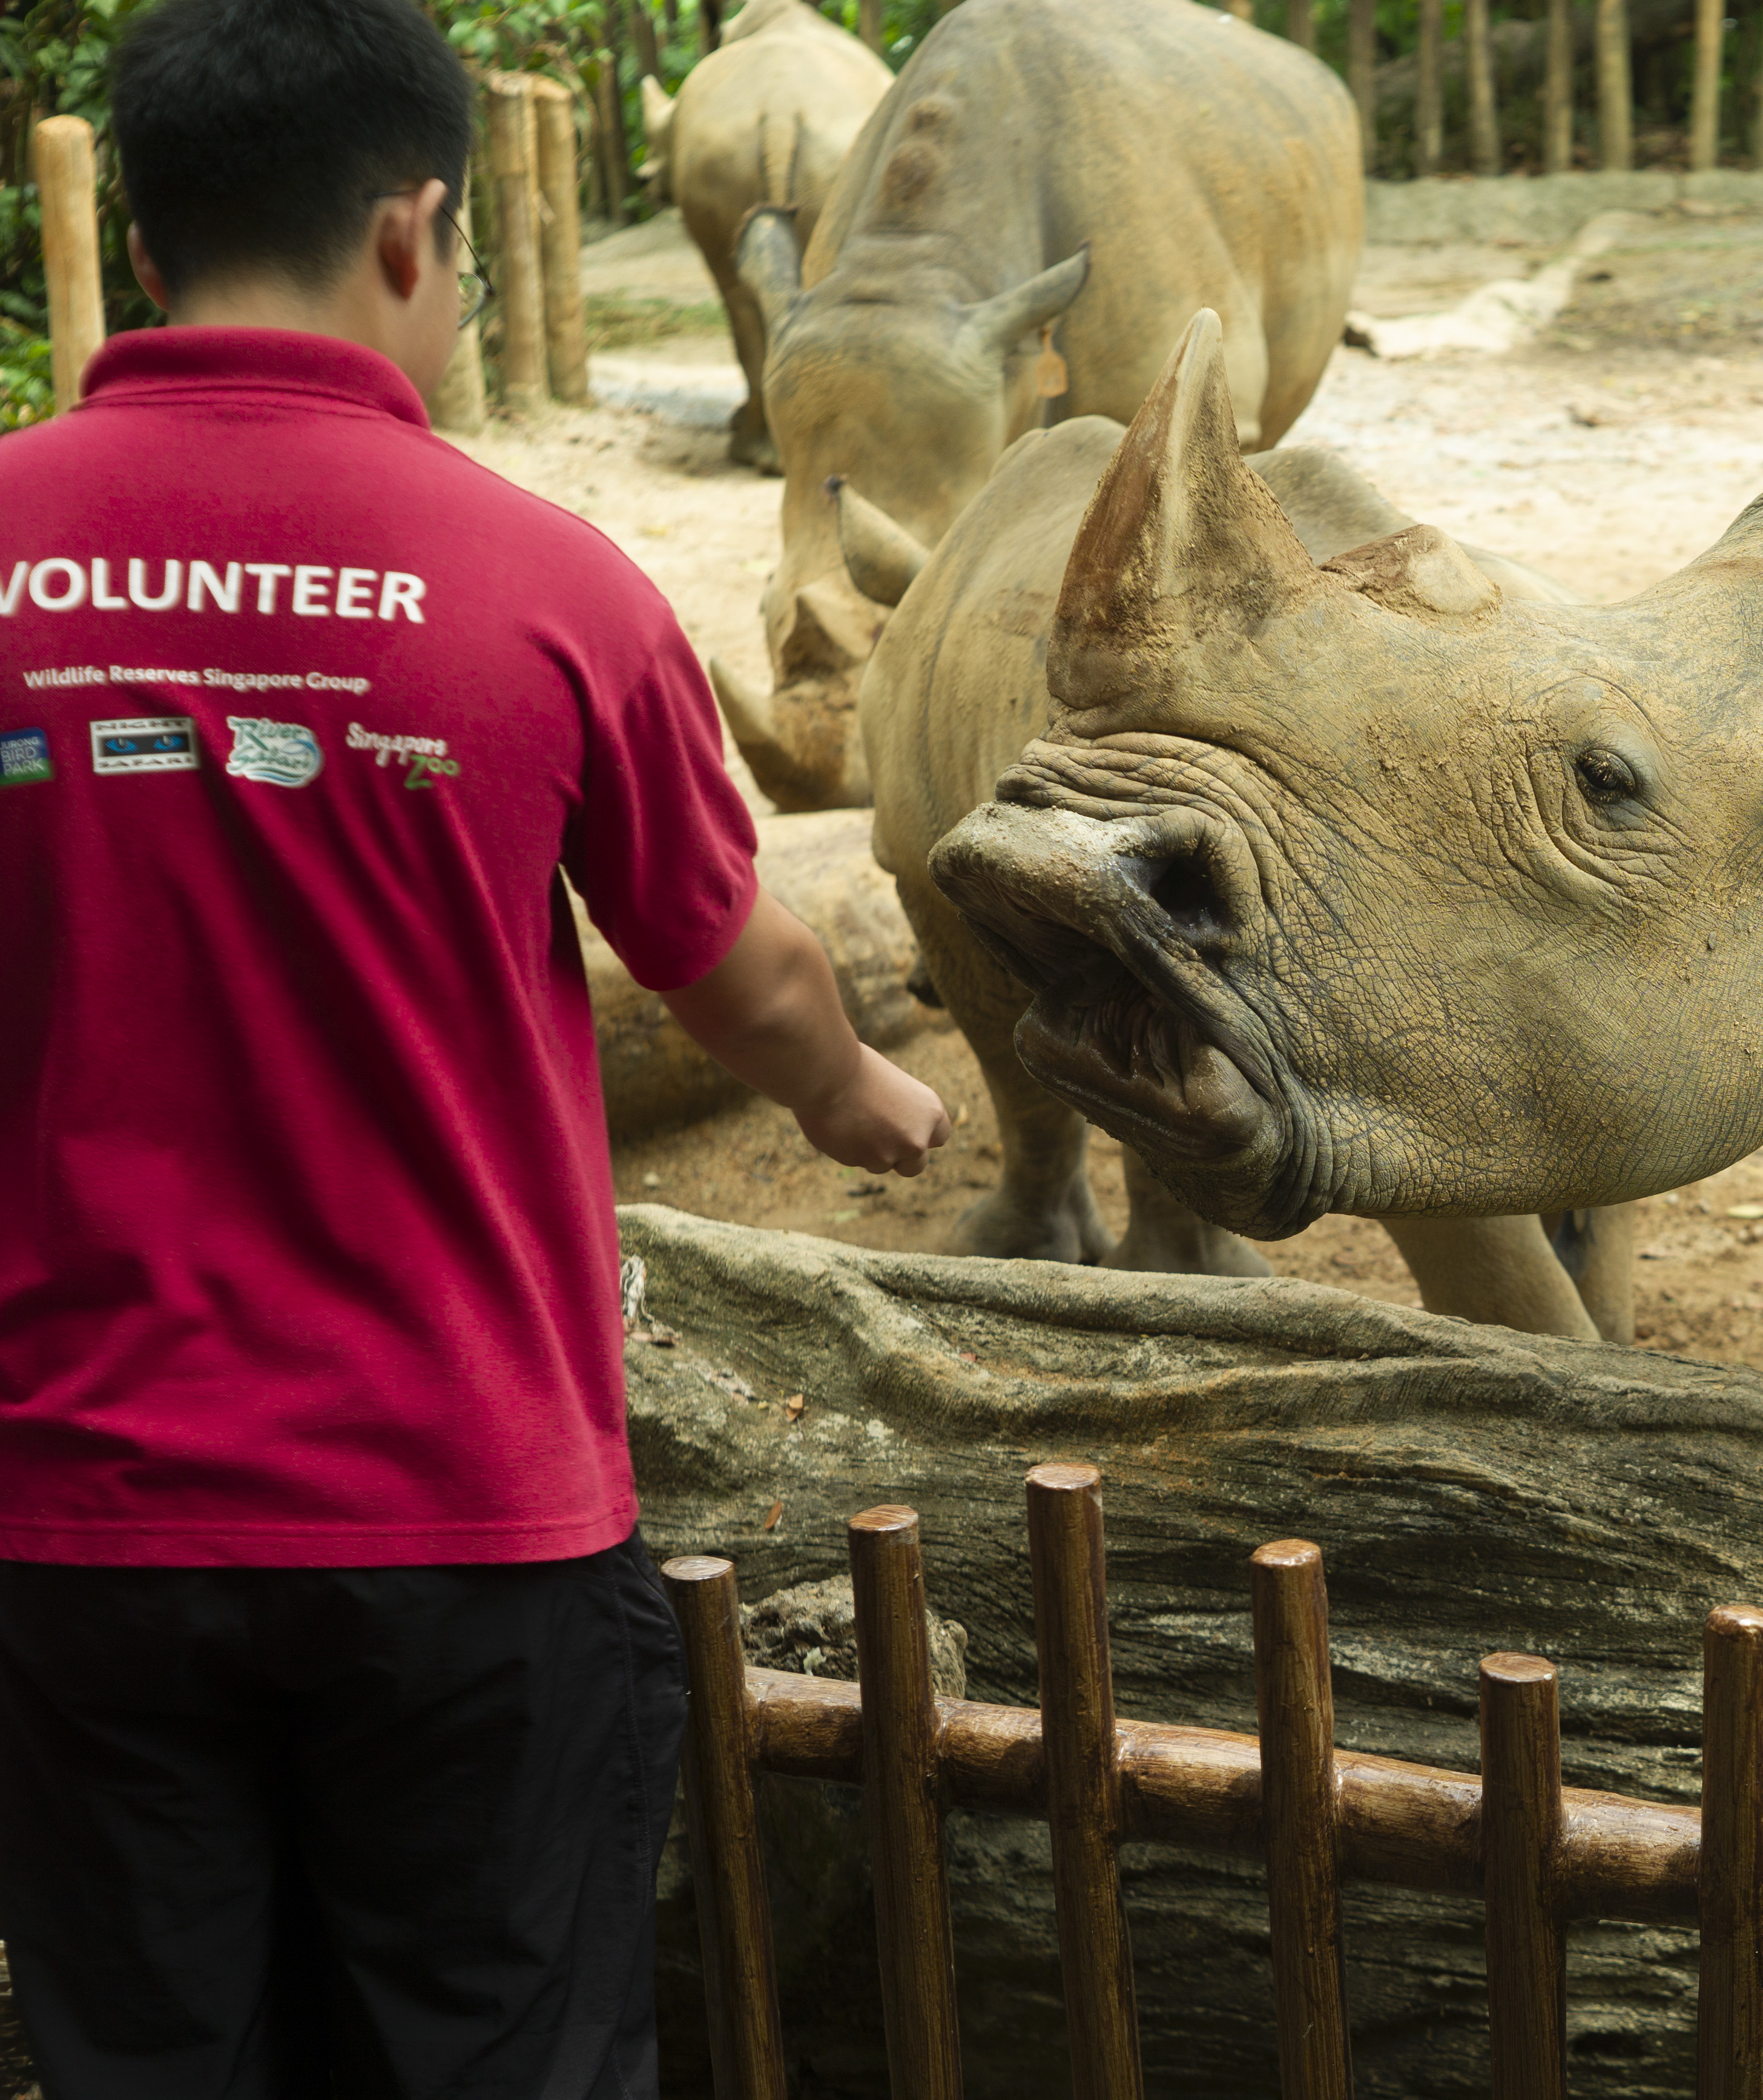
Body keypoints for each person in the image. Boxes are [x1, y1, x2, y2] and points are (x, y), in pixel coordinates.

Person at [0, 1, 949, 2092]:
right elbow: (731, 966)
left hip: (75, 1515)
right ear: (415, 231)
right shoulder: (548, 582)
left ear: (141, 245)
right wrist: (847, 1088)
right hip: (463, 1509)